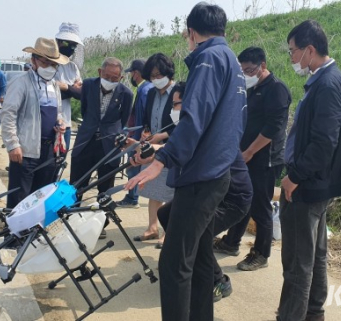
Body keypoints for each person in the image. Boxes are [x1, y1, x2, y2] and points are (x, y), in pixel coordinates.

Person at [125, 3, 246, 320]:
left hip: (201, 177)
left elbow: (193, 120)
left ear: (191, 32)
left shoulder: (207, 60)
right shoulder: (232, 61)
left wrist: (161, 160)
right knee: (202, 259)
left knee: (174, 262)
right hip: (217, 173)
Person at [276, 20, 341, 321]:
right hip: (315, 183)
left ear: (310, 50)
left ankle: (291, 316)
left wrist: (294, 178)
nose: (292, 58)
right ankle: (312, 314)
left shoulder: (328, 83)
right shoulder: (324, 78)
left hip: (307, 184)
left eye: (293, 51)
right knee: (315, 256)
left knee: (297, 260)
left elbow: (323, 143)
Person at [213, 46, 291, 271]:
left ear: (263, 66)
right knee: (241, 200)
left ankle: (261, 253)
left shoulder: (276, 89)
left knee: (259, 206)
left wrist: (249, 152)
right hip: (244, 155)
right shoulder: (250, 88)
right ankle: (231, 242)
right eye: (242, 70)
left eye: (249, 69)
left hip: (264, 158)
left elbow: (273, 129)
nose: (245, 74)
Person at [155, 151, 252, 302]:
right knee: (165, 214)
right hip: (206, 193)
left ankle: (219, 281)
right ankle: (187, 262)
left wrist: (156, 151)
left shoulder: (217, 137)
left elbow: (181, 149)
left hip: (231, 201)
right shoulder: (204, 134)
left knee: (195, 234)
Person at [0, 38, 68, 209]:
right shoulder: (21, 82)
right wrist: (12, 144)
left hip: (48, 151)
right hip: (25, 150)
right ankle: (15, 234)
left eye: (53, 64)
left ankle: (33, 234)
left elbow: (58, 111)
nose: (49, 68)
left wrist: (60, 122)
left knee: (41, 197)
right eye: (45, 62)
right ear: (33, 60)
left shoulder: (54, 86)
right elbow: (8, 113)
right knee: (20, 198)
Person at [70, 57, 133, 197]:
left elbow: (123, 120)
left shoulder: (126, 94)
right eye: (107, 76)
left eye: (114, 78)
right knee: (76, 186)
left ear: (121, 77)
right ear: (100, 72)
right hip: (86, 141)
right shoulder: (88, 85)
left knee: (105, 190)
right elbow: (85, 110)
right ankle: (72, 215)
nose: (110, 81)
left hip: (109, 145)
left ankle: (103, 216)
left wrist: (112, 132)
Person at [133, 77, 182, 248]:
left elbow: (181, 126)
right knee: (153, 188)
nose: (156, 78)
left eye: (158, 74)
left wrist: (162, 136)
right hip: (154, 143)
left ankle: (167, 232)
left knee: (169, 191)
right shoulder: (152, 92)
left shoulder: (178, 91)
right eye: (152, 75)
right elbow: (147, 116)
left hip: (170, 146)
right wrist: (146, 134)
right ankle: (152, 228)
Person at [116, 59, 153, 209]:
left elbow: (142, 116)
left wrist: (139, 135)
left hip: (138, 135)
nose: (131, 75)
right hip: (140, 134)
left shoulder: (144, 90)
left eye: (132, 72)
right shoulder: (147, 88)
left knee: (133, 165)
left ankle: (132, 197)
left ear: (136, 73)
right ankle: (132, 196)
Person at [54, 22, 84, 150]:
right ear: (58, 42)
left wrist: (65, 87)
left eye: (74, 45)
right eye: (67, 43)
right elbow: (48, 92)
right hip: (49, 122)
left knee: (61, 159)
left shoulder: (73, 68)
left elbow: (80, 94)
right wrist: (72, 88)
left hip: (65, 122)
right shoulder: (48, 64)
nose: (71, 48)